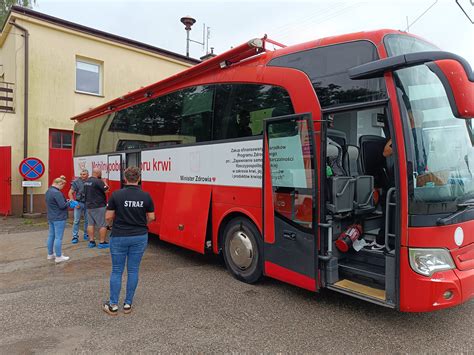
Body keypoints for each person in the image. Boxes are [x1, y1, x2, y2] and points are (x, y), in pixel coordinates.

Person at [103, 166, 155, 315]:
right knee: (133, 270)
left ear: (125, 178)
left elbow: (108, 217)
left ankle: (113, 305)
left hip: (119, 235)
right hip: (139, 236)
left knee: (117, 270)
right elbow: (151, 217)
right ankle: (127, 304)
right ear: (139, 178)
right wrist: (142, 225)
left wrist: (110, 226)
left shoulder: (116, 195)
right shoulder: (146, 196)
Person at [45, 177, 71, 263]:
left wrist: (65, 201)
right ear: (60, 184)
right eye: (63, 186)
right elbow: (62, 206)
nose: (62, 188)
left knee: (51, 236)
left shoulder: (48, 191)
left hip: (51, 216)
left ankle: (50, 254)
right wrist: (69, 202)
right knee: (58, 238)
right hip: (59, 217)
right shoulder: (57, 193)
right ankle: (59, 256)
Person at [84, 168, 110, 249]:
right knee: (103, 224)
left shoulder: (86, 181)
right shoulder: (98, 181)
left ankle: (91, 242)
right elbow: (107, 190)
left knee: (90, 224)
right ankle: (102, 243)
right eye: (100, 172)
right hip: (99, 206)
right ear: (98, 173)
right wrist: (105, 182)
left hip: (88, 206)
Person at [69, 169, 89, 244]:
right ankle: (75, 236)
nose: (82, 176)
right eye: (81, 174)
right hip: (79, 203)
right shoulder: (76, 182)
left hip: (88, 203)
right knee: (76, 221)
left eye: (84, 174)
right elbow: (70, 193)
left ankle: (86, 234)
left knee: (87, 220)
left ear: (87, 175)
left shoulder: (90, 181)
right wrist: (74, 203)